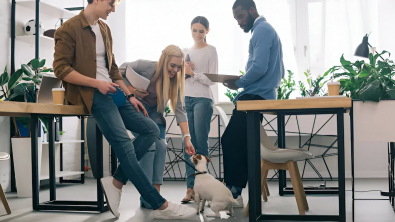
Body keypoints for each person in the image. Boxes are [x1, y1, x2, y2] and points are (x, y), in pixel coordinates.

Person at [53, 0, 196, 219]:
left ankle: (116, 181)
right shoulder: (68, 28)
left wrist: (129, 95)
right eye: (111, 3)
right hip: (93, 95)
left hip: (114, 93)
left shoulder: (104, 29)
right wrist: (96, 83)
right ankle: (160, 205)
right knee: (126, 148)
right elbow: (61, 69)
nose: (113, 9)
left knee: (151, 129)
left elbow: (112, 69)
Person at [221, 0, 285, 208]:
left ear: (252, 10)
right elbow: (274, 70)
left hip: (256, 97)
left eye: (240, 17)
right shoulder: (264, 30)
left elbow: (259, 67)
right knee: (240, 141)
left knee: (231, 140)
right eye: (236, 19)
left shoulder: (262, 30)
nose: (239, 22)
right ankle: (236, 189)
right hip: (260, 95)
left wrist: (239, 82)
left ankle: (234, 192)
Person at [119, 45, 195, 209]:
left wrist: (187, 137)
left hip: (155, 115)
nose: (175, 70)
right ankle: (148, 196)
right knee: (150, 146)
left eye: (179, 67)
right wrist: (130, 90)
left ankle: (155, 196)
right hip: (136, 111)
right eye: (172, 65)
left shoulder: (175, 81)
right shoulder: (146, 66)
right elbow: (119, 71)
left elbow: (180, 110)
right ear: (164, 60)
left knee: (161, 146)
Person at [181, 16, 218, 203]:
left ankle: (203, 188)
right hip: (185, 98)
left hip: (203, 99)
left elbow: (212, 79)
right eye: (194, 30)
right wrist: (183, 71)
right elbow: (178, 77)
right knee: (188, 144)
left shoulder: (211, 50)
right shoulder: (185, 51)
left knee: (200, 144)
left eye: (201, 31)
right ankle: (190, 189)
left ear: (207, 32)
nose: (197, 34)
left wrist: (193, 73)